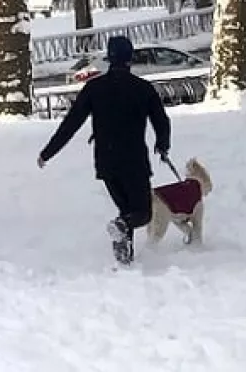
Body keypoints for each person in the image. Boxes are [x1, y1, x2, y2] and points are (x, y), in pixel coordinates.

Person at [37, 35, 172, 265]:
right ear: (130, 58)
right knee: (141, 213)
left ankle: (124, 258)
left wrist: (47, 152)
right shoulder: (142, 88)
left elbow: (71, 123)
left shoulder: (94, 88)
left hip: (106, 161)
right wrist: (162, 144)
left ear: (109, 58)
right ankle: (122, 233)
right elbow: (161, 120)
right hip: (134, 161)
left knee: (124, 208)